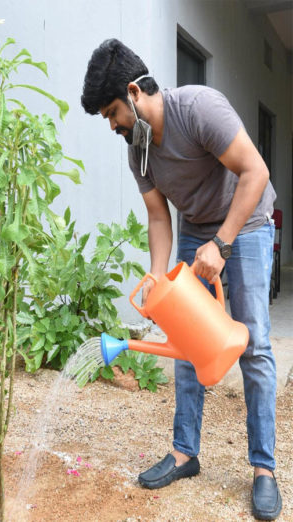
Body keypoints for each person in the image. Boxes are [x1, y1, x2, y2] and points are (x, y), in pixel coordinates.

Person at [81, 39, 280, 520]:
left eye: (112, 112)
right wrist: (155, 274)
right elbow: (157, 217)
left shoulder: (200, 109)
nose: (112, 126)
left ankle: (264, 469)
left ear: (133, 91)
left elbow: (255, 172)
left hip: (246, 222)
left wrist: (223, 243)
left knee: (252, 342)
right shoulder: (139, 149)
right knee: (187, 340)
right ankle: (185, 453)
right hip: (195, 228)